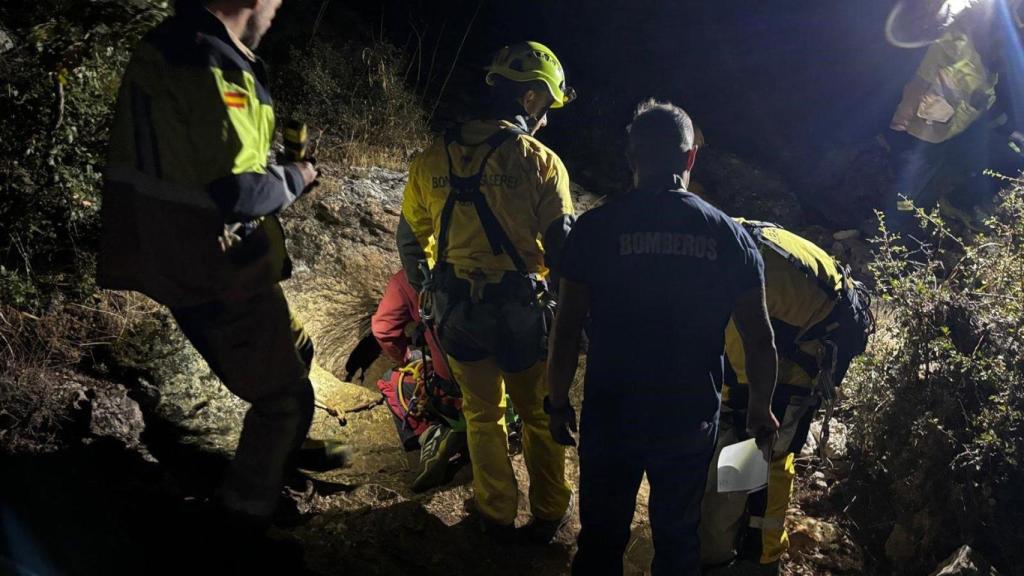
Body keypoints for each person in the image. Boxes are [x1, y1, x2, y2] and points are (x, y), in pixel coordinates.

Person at [98, 0, 345, 538]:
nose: (280, 8)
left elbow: (198, 159)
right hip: (211, 265)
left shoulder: (171, 43)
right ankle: (243, 518)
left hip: (166, 251)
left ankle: (282, 453)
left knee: (296, 344)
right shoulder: (215, 63)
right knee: (285, 399)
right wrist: (298, 175)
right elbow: (237, 191)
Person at [546, 99, 780, 575]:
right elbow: (760, 341)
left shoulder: (595, 229)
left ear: (631, 157)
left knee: (601, 539)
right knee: (677, 539)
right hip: (688, 419)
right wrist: (760, 408)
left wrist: (556, 399)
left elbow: (566, 327)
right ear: (690, 158)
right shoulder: (730, 237)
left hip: (612, 416)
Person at [396, 41, 576, 543]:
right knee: (538, 415)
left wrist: (427, 293)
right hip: (519, 311)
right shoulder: (541, 162)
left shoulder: (431, 158)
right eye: (547, 107)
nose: (546, 120)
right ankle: (547, 510)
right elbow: (563, 251)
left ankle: (495, 511)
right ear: (532, 99)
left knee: (482, 415)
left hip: (457, 311)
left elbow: (411, 238)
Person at [695, 217, 874, 575]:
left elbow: (741, 382)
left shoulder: (731, 282)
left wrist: (743, 415)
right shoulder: (721, 235)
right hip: (804, 315)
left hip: (815, 343)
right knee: (744, 437)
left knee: (758, 446)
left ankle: (760, 557)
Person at [887, 0, 1024, 235]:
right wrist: (902, 122)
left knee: (1014, 163)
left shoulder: (996, 47)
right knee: (912, 192)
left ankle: (957, 202)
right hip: (926, 130)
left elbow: (992, 83)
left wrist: (1003, 123)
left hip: (966, 120)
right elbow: (918, 79)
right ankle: (900, 239)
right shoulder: (954, 30)